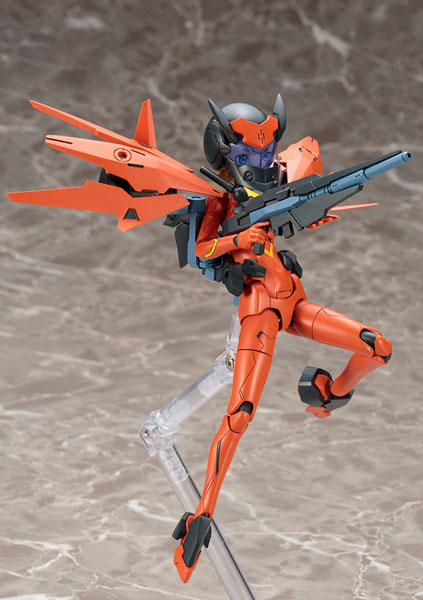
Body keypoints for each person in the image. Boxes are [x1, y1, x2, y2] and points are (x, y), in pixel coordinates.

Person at [172, 96, 392, 582]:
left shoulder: (269, 193)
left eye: (268, 152)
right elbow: (205, 247)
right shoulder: (221, 203)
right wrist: (240, 242)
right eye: (251, 155)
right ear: (225, 154)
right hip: (259, 312)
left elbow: (284, 215)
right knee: (240, 413)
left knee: (376, 345)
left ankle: (329, 394)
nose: (263, 163)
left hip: (293, 299)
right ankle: (202, 513)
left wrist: (307, 215)